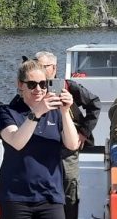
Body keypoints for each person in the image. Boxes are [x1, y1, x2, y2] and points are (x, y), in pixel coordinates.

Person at [0, 60, 79, 218]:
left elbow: (72, 144)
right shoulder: (8, 112)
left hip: (51, 195)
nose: (38, 89)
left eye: (43, 84)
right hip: (15, 197)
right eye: (32, 85)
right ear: (20, 85)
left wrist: (65, 111)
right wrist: (36, 113)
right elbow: (17, 142)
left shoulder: (56, 112)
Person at [32, 51, 101, 219]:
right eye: (35, 65)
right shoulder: (32, 89)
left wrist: (83, 133)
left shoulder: (69, 87)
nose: (37, 69)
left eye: (42, 66)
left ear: (54, 68)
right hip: (42, 148)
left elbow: (95, 104)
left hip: (67, 149)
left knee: (69, 186)